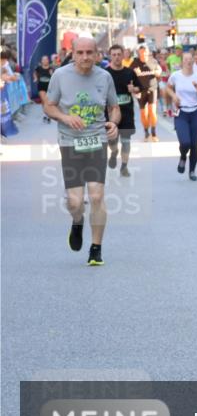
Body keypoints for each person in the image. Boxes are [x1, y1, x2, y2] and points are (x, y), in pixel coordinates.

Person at [42, 37, 120, 266]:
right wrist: (65, 117)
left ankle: (96, 249)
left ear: (97, 54)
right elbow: (49, 105)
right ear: (73, 54)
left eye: (90, 52)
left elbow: (114, 108)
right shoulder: (60, 76)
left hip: (96, 140)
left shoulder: (104, 77)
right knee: (75, 202)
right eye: (80, 53)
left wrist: (113, 123)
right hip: (70, 142)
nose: (85, 57)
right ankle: (77, 222)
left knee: (96, 195)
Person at [165, 51, 197, 181]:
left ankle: (192, 171)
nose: (188, 62)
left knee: (194, 145)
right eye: (186, 59)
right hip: (181, 113)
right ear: (182, 61)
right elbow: (167, 88)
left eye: (191, 59)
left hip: (196, 112)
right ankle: (183, 156)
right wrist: (174, 96)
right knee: (185, 142)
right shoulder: (175, 75)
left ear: (194, 61)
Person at [105, 44, 141, 177]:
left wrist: (134, 89)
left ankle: (124, 167)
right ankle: (114, 153)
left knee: (126, 142)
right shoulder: (105, 73)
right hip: (110, 114)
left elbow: (139, 87)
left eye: (119, 54)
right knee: (112, 141)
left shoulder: (129, 72)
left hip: (126, 113)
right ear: (110, 56)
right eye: (113, 55)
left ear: (123, 55)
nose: (116, 57)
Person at [129, 46, 160, 141]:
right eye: (141, 52)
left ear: (148, 52)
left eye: (145, 52)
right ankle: (146, 132)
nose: (143, 54)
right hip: (140, 90)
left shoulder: (153, 61)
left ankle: (154, 133)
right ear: (138, 53)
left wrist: (157, 72)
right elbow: (129, 77)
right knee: (144, 113)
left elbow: (159, 71)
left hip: (152, 88)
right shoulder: (135, 63)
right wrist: (133, 88)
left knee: (152, 111)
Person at [34, 55, 54, 124]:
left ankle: (46, 114)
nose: (45, 61)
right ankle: (47, 115)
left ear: (48, 60)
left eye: (46, 59)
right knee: (44, 100)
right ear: (41, 61)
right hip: (41, 86)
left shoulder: (51, 68)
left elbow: (54, 76)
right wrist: (36, 78)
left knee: (46, 101)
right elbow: (35, 73)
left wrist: (52, 74)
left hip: (49, 86)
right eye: (43, 59)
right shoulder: (38, 68)